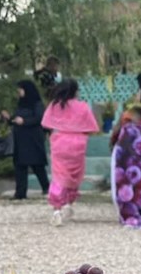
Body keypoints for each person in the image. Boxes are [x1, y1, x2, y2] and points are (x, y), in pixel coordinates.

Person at [41, 79, 100, 226]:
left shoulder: (55, 105)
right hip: (78, 144)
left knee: (59, 176)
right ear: (75, 91)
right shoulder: (83, 106)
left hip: (60, 142)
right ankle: (68, 203)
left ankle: (57, 210)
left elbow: (46, 124)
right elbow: (92, 127)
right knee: (74, 175)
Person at [1, 80, 49, 200]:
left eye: (21, 89)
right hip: (20, 140)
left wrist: (25, 121)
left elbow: (39, 118)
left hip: (33, 139)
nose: (19, 92)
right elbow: (17, 119)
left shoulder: (37, 104)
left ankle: (47, 188)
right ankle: (20, 193)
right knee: (20, 166)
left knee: (37, 165)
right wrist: (9, 118)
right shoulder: (21, 104)